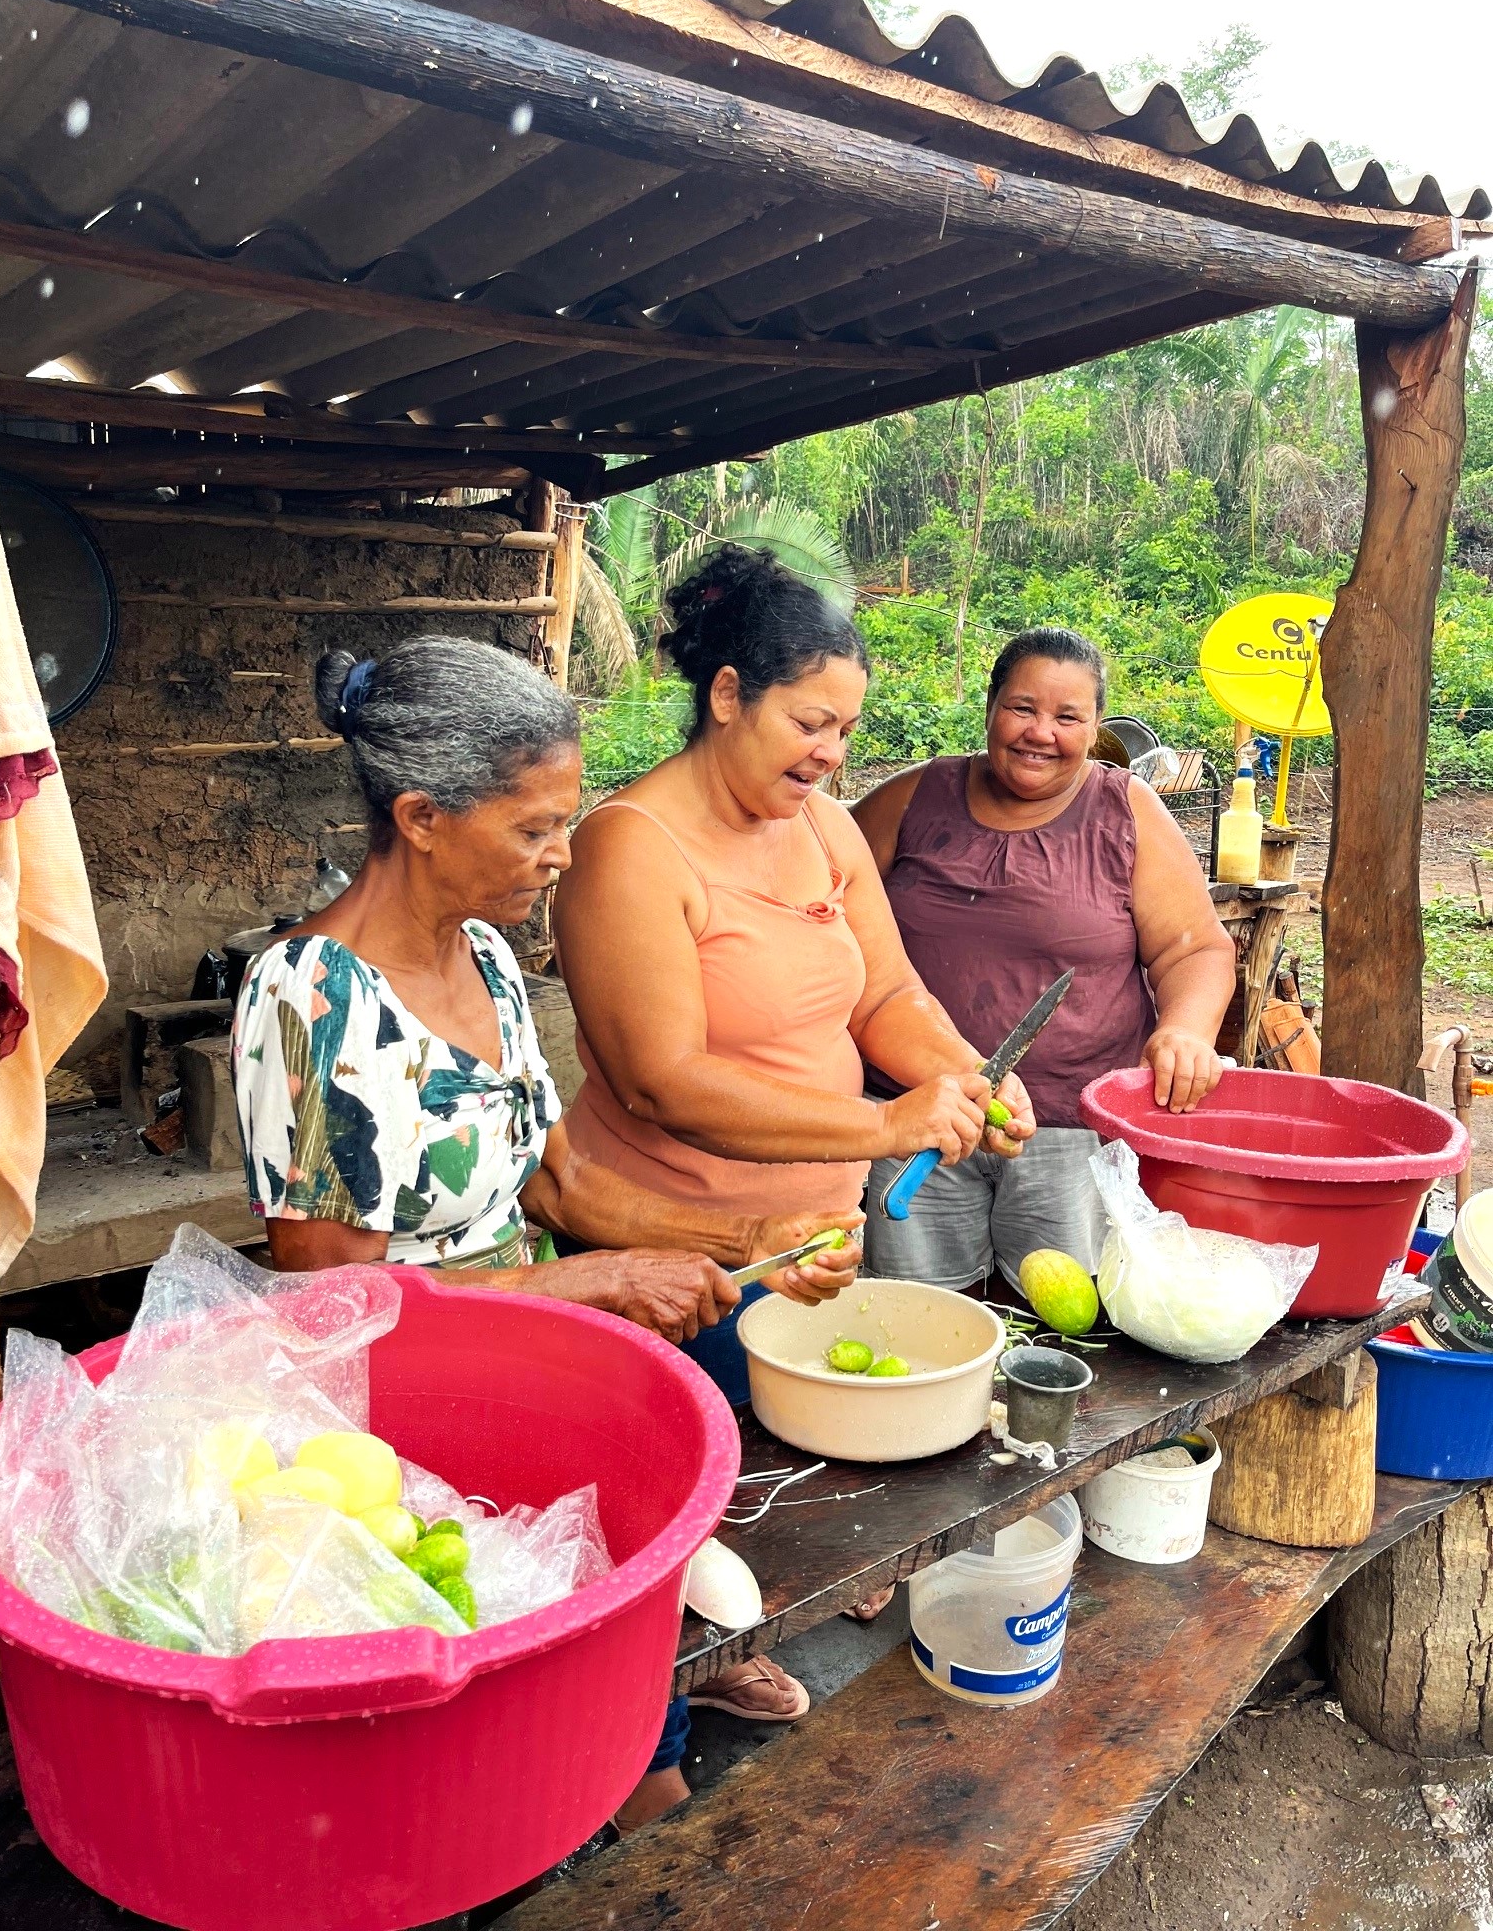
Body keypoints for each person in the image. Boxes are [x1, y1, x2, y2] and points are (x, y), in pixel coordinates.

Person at [230, 637, 861, 1832]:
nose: (563, 856)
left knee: (605, 1637)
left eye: (566, 821)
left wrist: (746, 1235)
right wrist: (603, 1285)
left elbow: (560, 1186)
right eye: (534, 830)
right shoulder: (310, 1000)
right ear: (420, 816)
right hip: (404, 1446)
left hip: (530, 1385)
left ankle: (637, 1752)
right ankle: (628, 1828)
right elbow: (335, 1315)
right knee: (497, 1746)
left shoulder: (487, 956)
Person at [553, 549, 1036, 1801]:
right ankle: (639, 1746)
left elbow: (884, 994)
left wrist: (967, 1076)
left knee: (779, 1493)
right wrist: (886, 1132)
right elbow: (661, 1077)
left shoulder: (822, 829)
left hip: (813, 1235)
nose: (831, 755)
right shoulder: (631, 847)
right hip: (673, 1243)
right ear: (726, 694)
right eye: (809, 723)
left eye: (845, 730)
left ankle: (718, 1653)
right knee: (663, 1503)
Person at [852, 625, 1235, 1296]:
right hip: (918, 1115)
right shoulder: (913, 798)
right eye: (1023, 708)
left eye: (1068, 717)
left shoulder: (1127, 811)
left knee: (1063, 1323)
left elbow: (1195, 948)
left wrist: (1186, 1029)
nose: (1040, 733)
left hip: (1070, 1135)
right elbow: (813, 895)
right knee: (917, 1319)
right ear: (991, 708)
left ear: (1094, 731)